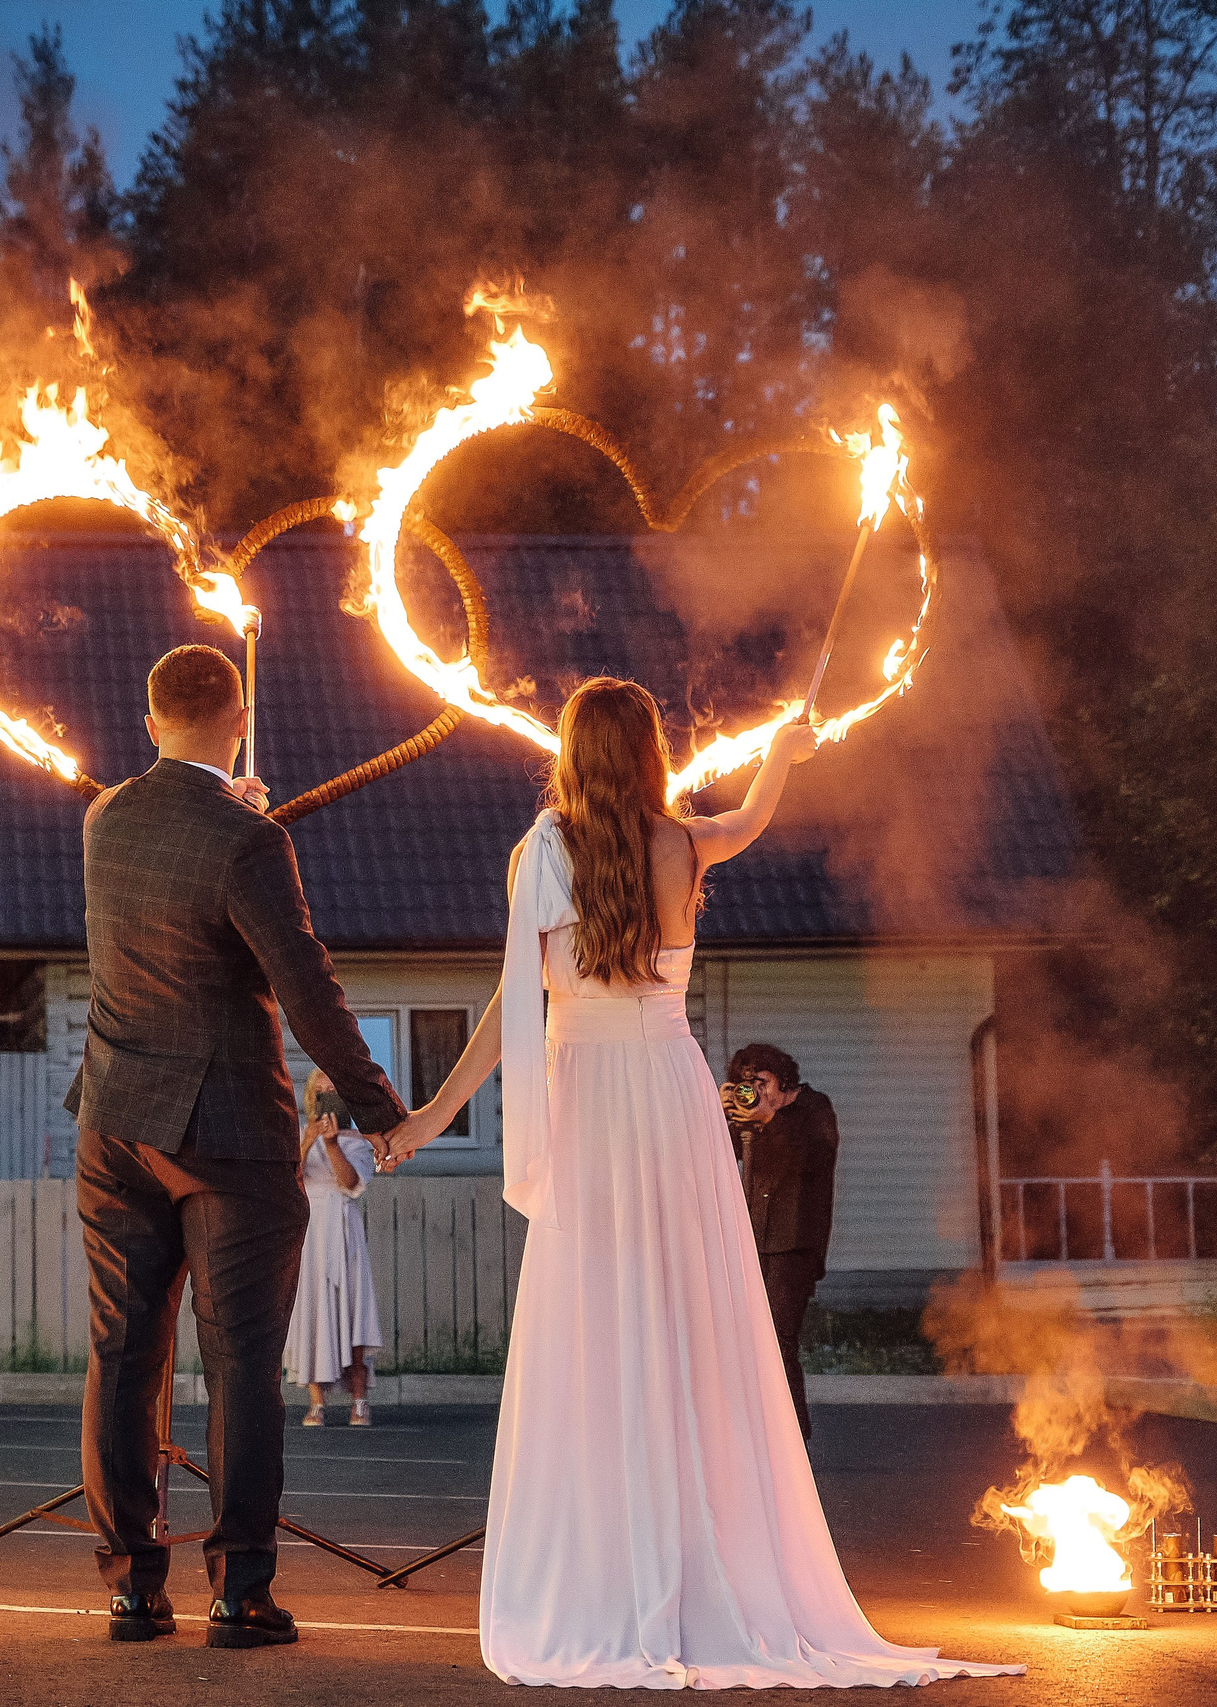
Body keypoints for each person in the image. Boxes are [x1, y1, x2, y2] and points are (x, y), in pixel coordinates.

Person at [381, 678, 1020, 1689]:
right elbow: (754, 816)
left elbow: (514, 1008)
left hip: (592, 1096)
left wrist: (427, 1117)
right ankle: (688, 1554)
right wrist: (784, 753)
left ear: (569, 753)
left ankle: (608, 1559)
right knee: (686, 1316)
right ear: (646, 755)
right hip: (671, 1092)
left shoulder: (540, 852)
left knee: (602, 1318)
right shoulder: (684, 843)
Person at [66, 644, 407, 1651]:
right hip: (226, 1138)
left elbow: (178, 851)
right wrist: (378, 1108)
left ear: (147, 720)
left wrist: (232, 813)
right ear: (241, 716)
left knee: (123, 1357)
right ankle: (239, 1592)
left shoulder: (104, 820)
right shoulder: (248, 842)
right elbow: (304, 985)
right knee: (241, 1366)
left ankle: (131, 1588)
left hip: (116, 1122)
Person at [722, 1042, 840, 1441]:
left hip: (794, 1243)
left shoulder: (814, 1107)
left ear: (782, 1078)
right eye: (745, 1083)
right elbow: (725, 1156)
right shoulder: (751, 1120)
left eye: (761, 1081)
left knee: (779, 1336)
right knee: (753, 1338)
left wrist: (769, 1118)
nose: (755, 1090)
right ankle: (761, 1432)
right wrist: (721, 1116)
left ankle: (791, 1436)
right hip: (753, 1239)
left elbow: (816, 1154)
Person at [284, 1068, 383, 1427]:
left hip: (343, 1228)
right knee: (312, 1308)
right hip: (311, 1229)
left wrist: (331, 1143)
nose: (327, 1094)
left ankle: (359, 1399)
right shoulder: (298, 1135)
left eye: (333, 1089)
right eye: (320, 1089)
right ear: (312, 1096)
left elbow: (351, 1183)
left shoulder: (357, 1140)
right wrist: (308, 1142)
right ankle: (316, 1402)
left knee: (351, 1308)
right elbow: (286, 1183)